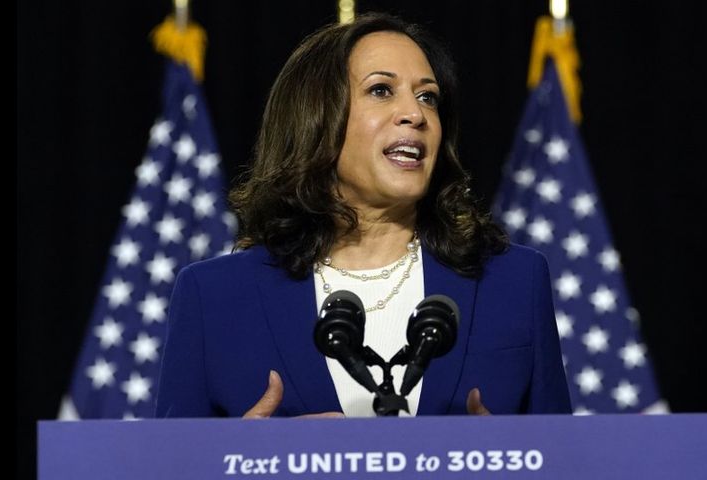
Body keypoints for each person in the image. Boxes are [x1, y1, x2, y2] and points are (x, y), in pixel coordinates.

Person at [155, 13, 571, 419]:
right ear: (316, 118)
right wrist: (249, 453)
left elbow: (562, 454)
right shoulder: (214, 298)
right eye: (381, 90)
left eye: (428, 97)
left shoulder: (514, 282)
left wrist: (508, 452)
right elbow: (171, 458)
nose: (416, 114)